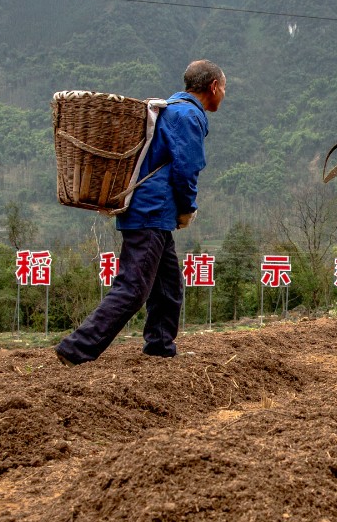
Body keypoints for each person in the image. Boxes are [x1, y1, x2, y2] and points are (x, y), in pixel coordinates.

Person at [56, 60, 224, 364]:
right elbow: (187, 169)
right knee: (133, 287)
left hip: (147, 209)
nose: (223, 93)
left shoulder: (170, 109)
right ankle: (77, 348)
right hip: (153, 210)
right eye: (223, 87)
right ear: (213, 86)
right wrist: (187, 207)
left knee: (168, 286)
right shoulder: (188, 115)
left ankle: (160, 345)